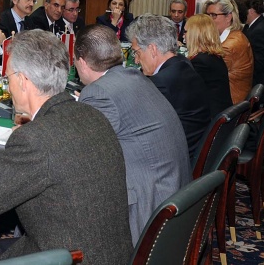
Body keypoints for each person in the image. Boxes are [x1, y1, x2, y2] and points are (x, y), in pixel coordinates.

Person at [0, 31, 132, 263]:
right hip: (112, 253)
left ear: (23, 81)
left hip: (70, 256)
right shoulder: (92, 114)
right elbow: (56, 165)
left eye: (8, 79)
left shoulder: (34, 139)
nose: (8, 88)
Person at [74, 24, 191, 244]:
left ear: (82, 61)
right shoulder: (133, 76)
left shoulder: (98, 92)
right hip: (175, 194)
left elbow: (80, 152)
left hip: (150, 206)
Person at [127, 14, 211, 160]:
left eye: (137, 52)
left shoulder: (161, 83)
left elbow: (138, 128)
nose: (136, 60)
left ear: (152, 49)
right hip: (194, 149)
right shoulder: (183, 64)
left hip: (176, 159)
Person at [203, 0, 254, 103]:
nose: (208, 20)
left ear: (228, 17)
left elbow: (204, 75)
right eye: (207, 15)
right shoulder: (231, 35)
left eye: (214, 15)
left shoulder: (230, 46)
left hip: (229, 104)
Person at [184, 14, 233, 118]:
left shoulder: (200, 62)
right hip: (219, 114)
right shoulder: (213, 56)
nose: (184, 36)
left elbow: (187, 95)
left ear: (195, 34)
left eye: (186, 32)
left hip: (210, 120)